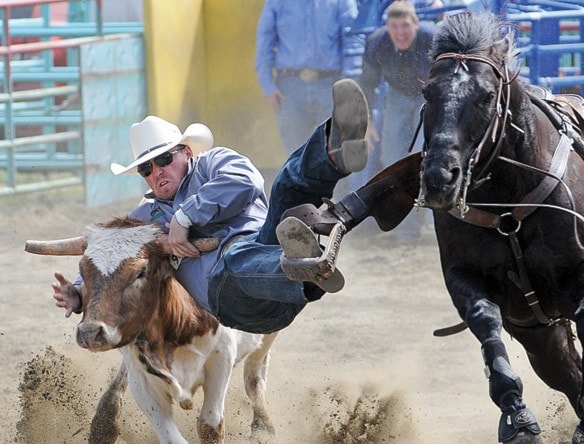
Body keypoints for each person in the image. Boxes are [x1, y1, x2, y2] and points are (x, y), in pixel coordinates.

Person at [53, 79, 370, 335]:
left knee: (287, 183)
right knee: (232, 263)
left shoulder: (216, 162)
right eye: (146, 169)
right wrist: (78, 293)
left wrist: (185, 215)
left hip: (270, 252)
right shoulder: (144, 217)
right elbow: (111, 258)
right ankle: (301, 268)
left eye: (164, 159)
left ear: (186, 152)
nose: (157, 172)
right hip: (237, 303)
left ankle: (336, 149)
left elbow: (245, 181)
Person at [357, 1, 437, 237]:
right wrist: (367, 121)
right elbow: (367, 84)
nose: (400, 33)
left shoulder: (433, 39)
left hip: (430, 97)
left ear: (416, 24)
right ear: (387, 27)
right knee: (392, 156)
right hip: (398, 96)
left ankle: (435, 223)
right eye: (394, 26)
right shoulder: (377, 42)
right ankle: (406, 226)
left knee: (430, 154)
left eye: (405, 26)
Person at [254, 0, 362, 156]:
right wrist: (267, 86)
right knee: (295, 152)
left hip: (331, 86)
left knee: (333, 150)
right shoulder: (276, 2)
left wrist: (348, 84)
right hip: (290, 87)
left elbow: (352, 39)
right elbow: (265, 41)